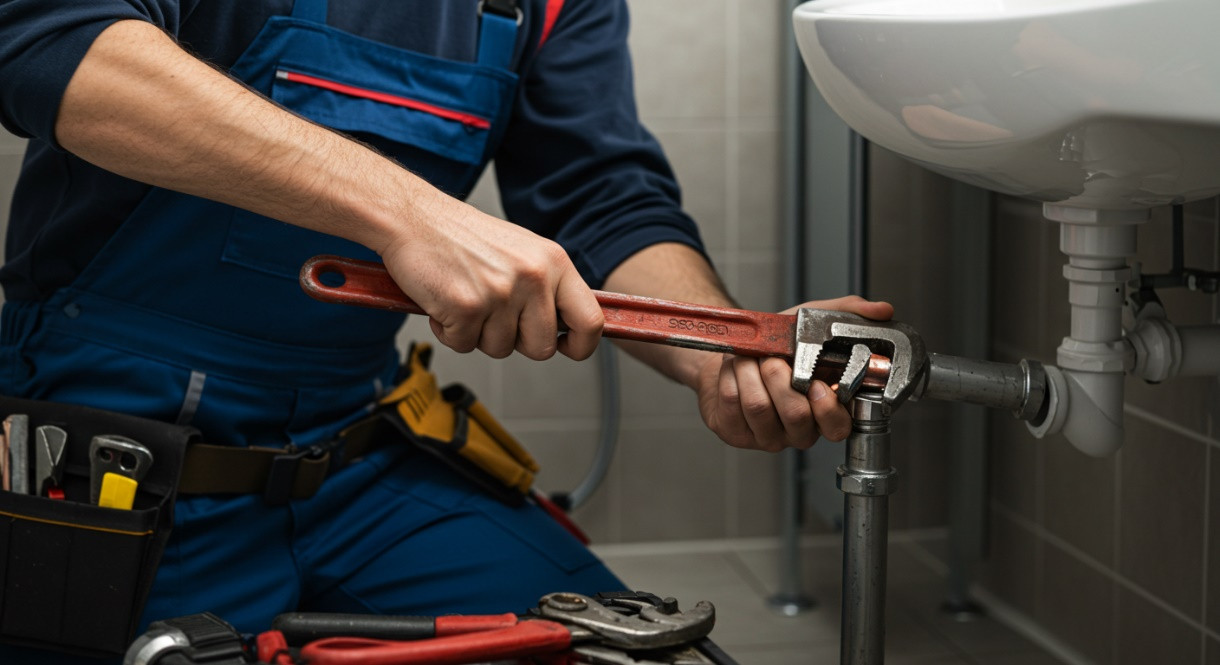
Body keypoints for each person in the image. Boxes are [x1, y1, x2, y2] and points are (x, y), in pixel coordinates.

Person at [0, 0, 892, 662]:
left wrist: (718, 342)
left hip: (353, 458)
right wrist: (408, 214)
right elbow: (51, 43)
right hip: (116, 455)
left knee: (621, 648)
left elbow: (602, 198)